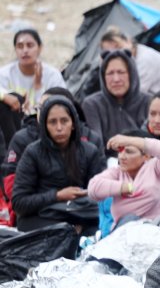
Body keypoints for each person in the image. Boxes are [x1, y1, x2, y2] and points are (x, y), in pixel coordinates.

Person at [11, 95, 106, 231]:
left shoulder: (90, 151)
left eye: (64, 121)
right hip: (42, 217)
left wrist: (82, 197)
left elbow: (101, 195)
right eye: (53, 122)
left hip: (80, 213)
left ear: (73, 124)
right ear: (44, 125)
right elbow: (19, 202)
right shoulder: (33, 152)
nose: (59, 127)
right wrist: (58, 196)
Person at [86, 132, 160, 227]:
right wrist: (125, 188)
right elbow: (93, 188)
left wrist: (129, 140)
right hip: (125, 231)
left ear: (146, 156)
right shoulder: (117, 172)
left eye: (129, 151)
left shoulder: (158, 169)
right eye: (120, 151)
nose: (121, 157)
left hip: (158, 227)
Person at [81, 49, 152, 144]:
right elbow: (96, 146)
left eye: (121, 72)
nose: (116, 79)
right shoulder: (92, 105)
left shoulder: (149, 102)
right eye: (110, 73)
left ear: (132, 74)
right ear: (103, 76)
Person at [99, 27, 160, 96]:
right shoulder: (127, 61)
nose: (116, 54)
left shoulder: (145, 58)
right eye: (109, 52)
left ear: (128, 41)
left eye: (118, 47)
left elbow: (135, 93)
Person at [1, 29, 66, 115]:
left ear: (40, 48)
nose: (25, 51)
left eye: (30, 45)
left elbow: (62, 106)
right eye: (20, 46)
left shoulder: (52, 75)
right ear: (15, 50)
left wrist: (38, 86)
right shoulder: (5, 73)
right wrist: (3, 96)